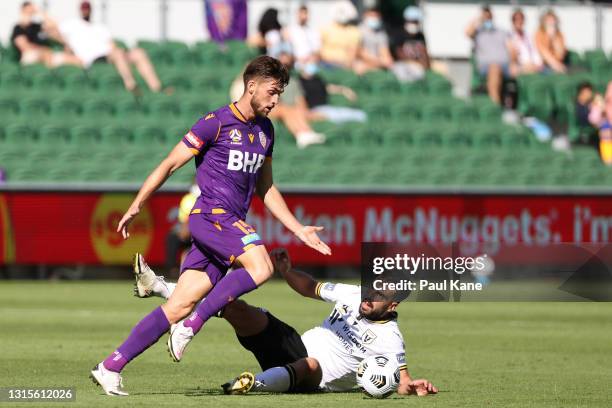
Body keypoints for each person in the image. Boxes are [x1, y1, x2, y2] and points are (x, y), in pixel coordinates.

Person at [89, 56, 331, 396]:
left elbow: (267, 188)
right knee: (261, 266)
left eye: (281, 93)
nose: (277, 100)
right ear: (252, 86)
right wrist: (138, 202)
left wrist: (298, 228)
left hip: (228, 226)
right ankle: (192, 326)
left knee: (178, 304)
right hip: (210, 217)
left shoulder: (266, 131)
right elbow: (171, 163)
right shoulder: (215, 122)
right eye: (274, 92)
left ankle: (109, 366)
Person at [132, 248, 438, 396]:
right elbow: (310, 287)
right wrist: (287, 270)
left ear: (393, 304)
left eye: (379, 294)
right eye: (371, 286)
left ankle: (251, 386)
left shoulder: (391, 338)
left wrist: (413, 386)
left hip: (313, 379)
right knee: (237, 308)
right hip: (293, 344)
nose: (370, 296)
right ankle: (158, 287)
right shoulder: (353, 294)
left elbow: (401, 377)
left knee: (312, 364)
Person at [52, 1, 164, 93]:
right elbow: (53, 31)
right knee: (117, 53)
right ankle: (130, 84)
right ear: (80, 10)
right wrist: (66, 44)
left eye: (87, 8)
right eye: (84, 8)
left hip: (110, 54)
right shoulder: (71, 24)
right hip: (95, 57)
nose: (86, 10)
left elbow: (111, 44)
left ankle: (156, 87)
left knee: (138, 53)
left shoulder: (100, 27)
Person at [465, 6, 514, 104]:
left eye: (489, 16)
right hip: (486, 67)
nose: (488, 19)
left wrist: (513, 63)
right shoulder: (478, 32)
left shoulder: (501, 32)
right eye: (486, 17)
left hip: (505, 66)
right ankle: (496, 107)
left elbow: (511, 49)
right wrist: (479, 18)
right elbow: (467, 32)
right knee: (494, 69)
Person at [10, 2, 81, 67]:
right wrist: (44, 51)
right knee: (42, 56)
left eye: (31, 10)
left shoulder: (36, 26)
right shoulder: (18, 27)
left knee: (76, 60)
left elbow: (54, 27)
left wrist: (41, 12)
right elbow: (25, 47)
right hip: (31, 56)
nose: (30, 13)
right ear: (23, 12)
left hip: (48, 55)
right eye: (27, 11)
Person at [388, 6, 430, 83]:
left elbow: (424, 53)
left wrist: (424, 64)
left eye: (416, 22)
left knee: (420, 73)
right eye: (412, 21)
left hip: (418, 65)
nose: (414, 24)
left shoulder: (420, 36)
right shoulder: (399, 34)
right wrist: (413, 62)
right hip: (401, 64)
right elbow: (398, 53)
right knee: (403, 75)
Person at [319, 1, 361, 70]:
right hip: (326, 64)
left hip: (345, 66)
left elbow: (353, 52)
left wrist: (347, 64)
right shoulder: (325, 29)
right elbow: (320, 50)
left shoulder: (354, 31)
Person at [354, 7, 394, 75]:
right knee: (359, 67)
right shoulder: (358, 31)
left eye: (376, 16)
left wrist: (388, 61)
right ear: (365, 16)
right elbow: (359, 52)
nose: (374, 18)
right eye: (371, 16)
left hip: (378, 63)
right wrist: (379, 62)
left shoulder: (381, 34)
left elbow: (385, 51)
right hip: (363, 62)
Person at [286, 4, 321, 70]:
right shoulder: (290, 30)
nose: (303, 16)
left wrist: (311, 59)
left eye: (305, 14)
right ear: (297, 14)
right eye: (301, 14)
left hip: (311, 64)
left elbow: (317, 51)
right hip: (295, 65)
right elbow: (288, 51)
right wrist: (298, 59)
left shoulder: (313, 31)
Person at [509, 9, 543, 74]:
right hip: (521, 67)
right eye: (516, 19)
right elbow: (513, 59)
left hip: (534, 65)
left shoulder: (528, 36)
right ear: (513, 22)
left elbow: (535, 52)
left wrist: (538, 63)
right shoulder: (509, 37)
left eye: (521, 19)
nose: (519, 22)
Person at [588, 82, 612, 165]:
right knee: (606, 131)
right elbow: (594, 119)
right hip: (607, 122)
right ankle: (608, 157)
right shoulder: (601, 102)